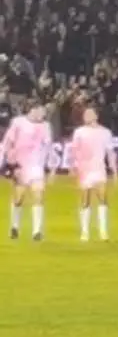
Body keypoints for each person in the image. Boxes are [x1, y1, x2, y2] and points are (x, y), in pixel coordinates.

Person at [2, 103, 54, 240]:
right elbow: (8, 143)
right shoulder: (18, 123)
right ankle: (14, 226)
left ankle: (36, 231)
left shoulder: (46, 126)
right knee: (19, 198)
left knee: (38, 196)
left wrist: (51, 166)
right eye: (41, 111)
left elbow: (48, 146)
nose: (43, 114)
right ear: (33, 110)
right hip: (20, 165)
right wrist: (11, 165)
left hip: (37, 167)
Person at [70, 108, 118, 242]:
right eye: (85, 114)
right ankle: (85, 232)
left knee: (103, 199)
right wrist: (73, 166)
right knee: (85, 200)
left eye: (89, 114)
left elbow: (110, 153)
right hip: (84, 170)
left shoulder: (105, 132)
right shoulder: (79, 132)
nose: (86, 116)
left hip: (99, 169)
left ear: (96, 116)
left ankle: (103, 231)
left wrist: (114, 171)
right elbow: (74, 151)